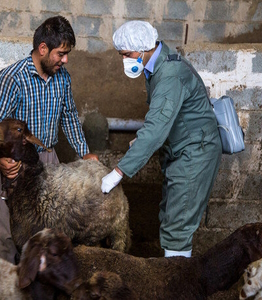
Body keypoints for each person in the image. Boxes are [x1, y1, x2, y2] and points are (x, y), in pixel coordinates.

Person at [0, 15, 98, 263]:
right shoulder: (13, 77)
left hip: (47, 161)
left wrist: (84, 152)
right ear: (43, 48)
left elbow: (68, 116)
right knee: (3, 233)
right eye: (61, 53)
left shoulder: (63, 78)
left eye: (67, 54)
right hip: (13, 164)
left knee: (48, 231)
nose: (65, 60)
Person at [101, 20, 222, 258]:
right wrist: (142, 141)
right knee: (170, 216)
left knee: (178, 224)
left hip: (194, 154)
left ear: (143, 49)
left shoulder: (170, 75)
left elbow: (156, 127)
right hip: (182, 150)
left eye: (126, 54)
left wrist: (119, 172)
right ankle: (172, 272)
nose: (124, 60)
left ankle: (177, 286)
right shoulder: (156, 67)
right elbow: (163, 117)